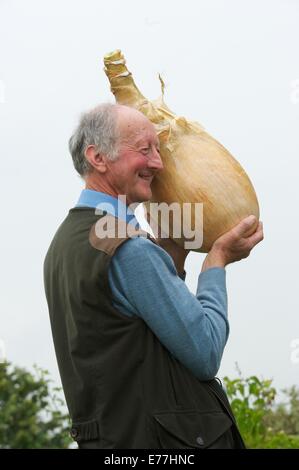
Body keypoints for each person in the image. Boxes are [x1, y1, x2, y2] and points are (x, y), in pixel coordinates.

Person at [43, 103, 264, 449]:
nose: (158, 164)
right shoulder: (129, 249)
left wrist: (173, 256)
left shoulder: (64, 243)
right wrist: (216, 261)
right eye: (145, 150)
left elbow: (130, 334)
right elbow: (205, 352)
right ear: (98, 157)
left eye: (158, 150)